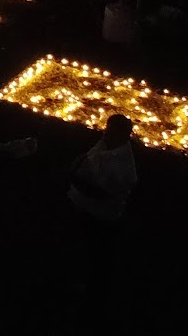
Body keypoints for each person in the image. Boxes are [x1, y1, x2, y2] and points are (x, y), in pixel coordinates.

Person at [68, 114, 137, 299]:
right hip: (84, 207)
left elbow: (103, 194)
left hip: (101, 217)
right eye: (107, 129)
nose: (106, 133)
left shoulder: (123, 167)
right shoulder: (106, 144)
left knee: (98, 254)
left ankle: (94, 292)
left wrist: (75, 179)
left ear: (123, 135)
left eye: (111, 131)